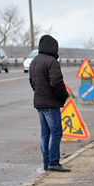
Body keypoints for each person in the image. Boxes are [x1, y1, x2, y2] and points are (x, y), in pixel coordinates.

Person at [29, 34, 71, 172]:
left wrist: (40, 93)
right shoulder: (52, 61)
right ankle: (54, 162)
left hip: (39, 102)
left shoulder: (34, 61)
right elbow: (56, 83)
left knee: (45, 133)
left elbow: (32, 82)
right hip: (51, 104)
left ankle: (46, 163)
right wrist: (64, 96)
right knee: (56, 132)